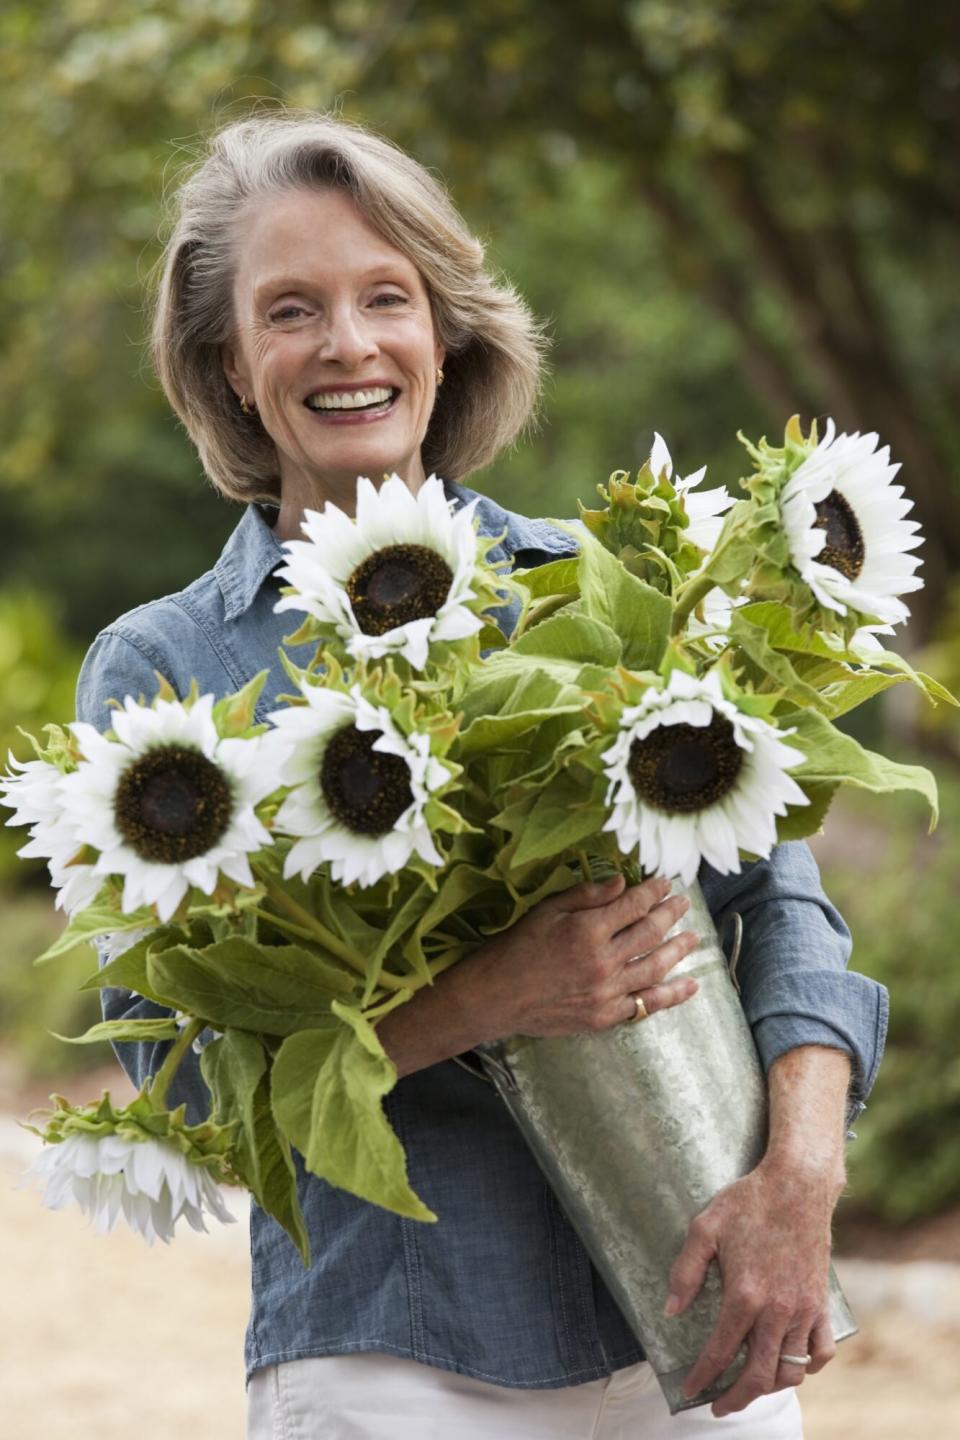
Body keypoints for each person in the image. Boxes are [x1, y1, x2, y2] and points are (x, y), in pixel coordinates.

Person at [76, 111, 887, 1440]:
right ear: (226, 362)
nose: (347, 345)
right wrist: (482, 1002)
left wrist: (801, 1180)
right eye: (291, 311)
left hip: (695, 1317)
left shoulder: (603, 590)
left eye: (385, 297)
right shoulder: (167, 667)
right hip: (397, 1351)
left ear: (445, 335)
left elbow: (784, 914)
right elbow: (182, 1081)